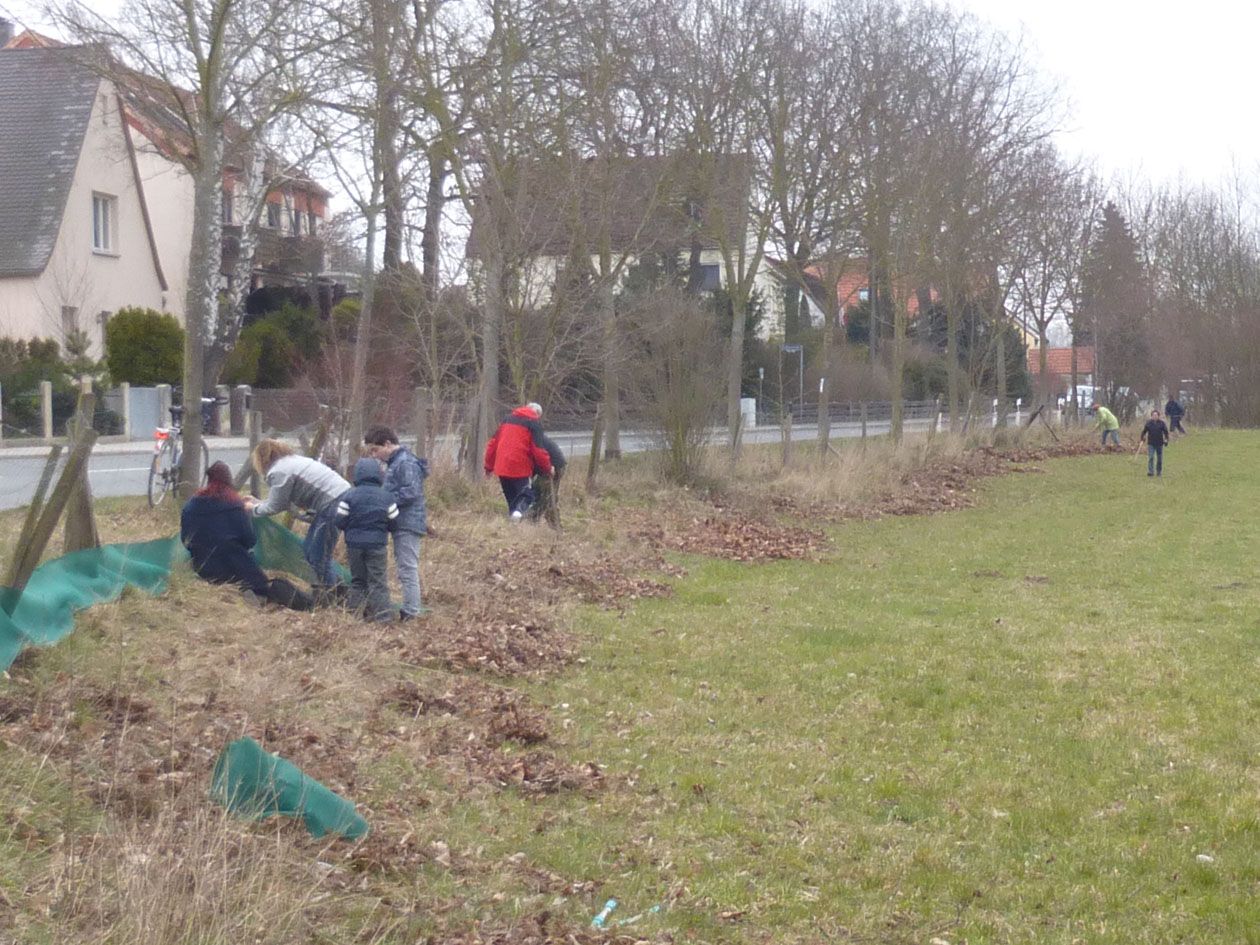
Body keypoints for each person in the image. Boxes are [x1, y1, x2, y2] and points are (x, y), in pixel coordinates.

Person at [180, 462, 313, 611]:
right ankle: (300, 603)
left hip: (202, 568)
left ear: (208, 479)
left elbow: (185, 540)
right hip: (234, 569)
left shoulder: (190, 506)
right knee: (266, 584)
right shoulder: (234, 505)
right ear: (228, 480)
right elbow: (250, 540)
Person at [245, 439, 351, 597]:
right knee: (310, 550)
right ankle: (337, 589)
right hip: (335, 500)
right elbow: (281, 502)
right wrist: (257, 503)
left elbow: (276, 507)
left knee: (318, 556)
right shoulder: (291, 462)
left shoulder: (279, 471)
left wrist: (251, 509)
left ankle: (335, 595)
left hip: (332, 503)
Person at [364, 425, 429, 620]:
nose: (374, 455)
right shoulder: (396, 462)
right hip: (402, 521)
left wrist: (385, 500)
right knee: (404, 567)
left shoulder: (405, 462)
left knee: (407, 568)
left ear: (387, 444)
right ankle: (410, 608)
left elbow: (412, 492)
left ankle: (411, 611)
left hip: (408, 522)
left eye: (375, 449)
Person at [334, 457, 400, 622]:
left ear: (356, 475)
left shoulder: (349, 495)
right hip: (377, 545)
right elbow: (395, 523)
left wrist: (351, 529)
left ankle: (354, 616)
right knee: (378, 582)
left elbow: (339, 521)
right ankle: (383, 617)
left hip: (354, 545)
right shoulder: (387, 497)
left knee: (358, 581)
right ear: (379, 475)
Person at [484, 402, 553, 520]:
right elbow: (539, 451)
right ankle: (518, 516)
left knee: (512, 500)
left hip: (502, 467)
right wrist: (548, 468)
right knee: (527, 496)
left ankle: (514, 524)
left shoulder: (507, 420)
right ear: (537, 414)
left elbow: (492, 445)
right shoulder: (534, 424)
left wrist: (488, 467)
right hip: (520, 468)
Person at [528, 431, 566, 528]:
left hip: (554, 466)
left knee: (547, 498)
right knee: (536, 491)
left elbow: (540, 456)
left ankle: (555, 528)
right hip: (544, 467)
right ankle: (532, 520)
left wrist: (549, 468)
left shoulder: (533, 439)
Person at [1139, 408, 1170, 477]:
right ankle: (1151, 472)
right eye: (1153, 415)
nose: (1155, 416)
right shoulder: (1148, 423)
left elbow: (1166, 433)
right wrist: (1142, 437)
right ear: (1151, 416)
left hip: (1159, 443)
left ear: (1158, 416)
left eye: (1156, 415)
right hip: (1151, 443)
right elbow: (1144, 432)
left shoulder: (1162, 423)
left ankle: (1159, 472)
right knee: (1151, 457)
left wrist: (1166, 440)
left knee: (1159, 459)